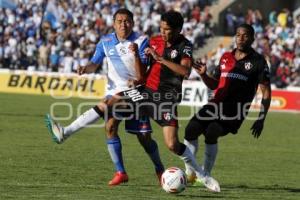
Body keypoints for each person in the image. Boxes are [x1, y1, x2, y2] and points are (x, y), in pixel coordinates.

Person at [45, 8, 164, 186]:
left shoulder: (142, 41)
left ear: (133, 22)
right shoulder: (105, 41)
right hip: (114, 91)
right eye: (120, 21)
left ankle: (160, 169)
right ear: (114, 23)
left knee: (144, 138)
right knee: (110, 127)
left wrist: (135, 54)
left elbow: (141, 75)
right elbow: (95, 63)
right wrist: (86, 68)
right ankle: (121, 172)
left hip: (136, 92)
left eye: (127, 21)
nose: (123, 24)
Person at [111, 10, 220, 192]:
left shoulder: (185, 46)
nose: (163, 32)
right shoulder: (154, 41)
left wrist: (160, 59)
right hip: (146, 93)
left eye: (167, 29)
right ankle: (67, 131)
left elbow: (185, 71)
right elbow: (144, 72)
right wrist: (138, 75)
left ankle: (201, 175)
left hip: (166, 100)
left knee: (172, 144)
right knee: (111, 103)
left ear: (178, 30)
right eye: (161, 28)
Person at [183, 24, 272, 186]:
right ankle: (190, 172)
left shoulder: (258, 61)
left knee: (212, 132)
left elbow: (266, 91)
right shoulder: (225, 57)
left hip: (235, 110)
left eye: (245, 35)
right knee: (191, 129)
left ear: (252, 38)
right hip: (215, 104)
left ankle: (205, 174)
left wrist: (261, 118)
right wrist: (204, 75)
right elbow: (214, 85)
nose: (240, 38)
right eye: (238, 35)